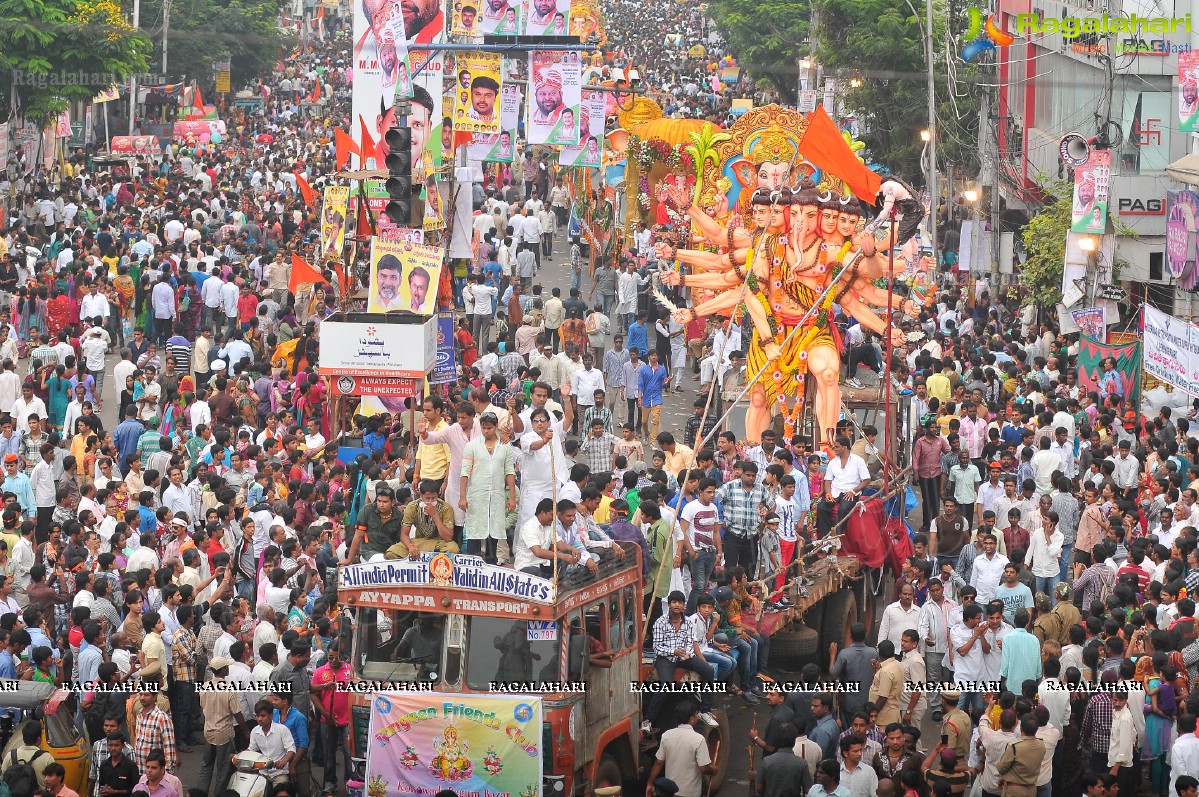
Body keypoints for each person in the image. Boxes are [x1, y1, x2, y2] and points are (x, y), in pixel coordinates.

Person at [644, 702, 717, 797]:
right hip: (690, 793)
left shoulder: (667, 735)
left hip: (670, 792)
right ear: (691, 718)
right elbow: (703, 768)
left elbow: (658, 763)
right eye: (696, 715)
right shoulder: (698, 739)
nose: (697, 717)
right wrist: (713, 770)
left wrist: (650, 783)